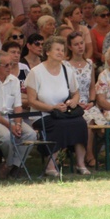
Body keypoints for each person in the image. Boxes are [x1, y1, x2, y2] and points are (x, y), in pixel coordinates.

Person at [25, 36, 90, 176]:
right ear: (47, 52)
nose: (61, 52)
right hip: (42, 114)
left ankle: (81, 164)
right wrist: (51, 108)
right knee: (59, 125)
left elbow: (76, 93)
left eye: (63, 50)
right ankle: (51, 166)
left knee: (80, 123)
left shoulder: (67, 70)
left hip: (63, 112)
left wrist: (73, 101)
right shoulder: (36, 72)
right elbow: (31, 101)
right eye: (57, 50)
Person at [0, 50, 37, 179]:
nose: (10, 68)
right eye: (6, 65)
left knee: (31, 134)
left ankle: (15, 165)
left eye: (11, 64)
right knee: (6, 136)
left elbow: (17, 106)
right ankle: (10, 165)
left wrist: (18, 124)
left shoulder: (14, 80)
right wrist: (11, 126)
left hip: (11, 117)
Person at [65, 31, 100, 168]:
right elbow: (64, 88)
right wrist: (75, 101)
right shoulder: (65, 65)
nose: (80, 47)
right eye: (76, 44)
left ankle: (87, 153)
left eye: (81, 43)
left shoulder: (90, 63)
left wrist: (91, 101)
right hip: (72, 102)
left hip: (88, 103)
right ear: (70, 47)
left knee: (93, 119)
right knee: (86, 121)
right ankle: (88, 154)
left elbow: (92, 86)